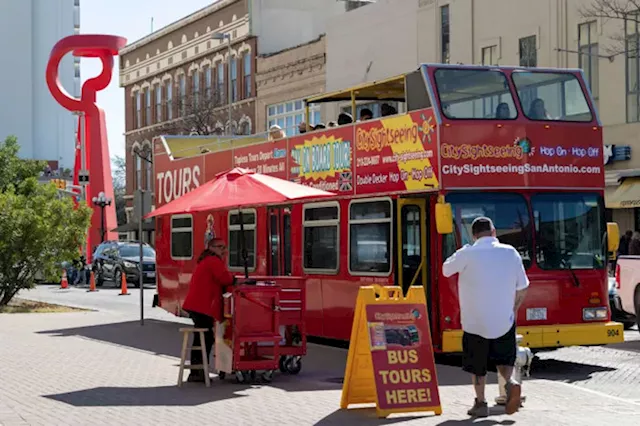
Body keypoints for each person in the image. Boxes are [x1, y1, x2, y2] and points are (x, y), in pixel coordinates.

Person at [442, 217, 529, 417]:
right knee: (504, 361)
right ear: (494, 232)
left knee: (477, 366)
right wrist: (513, 309)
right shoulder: (511, 252)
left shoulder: (467, 253)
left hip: (474, 323)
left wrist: (462, 252)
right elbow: (523, 287)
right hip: (503, 321)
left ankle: (481, 404)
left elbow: (446, 270)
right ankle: (511, 384)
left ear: (473, 235)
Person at [181, 238, 236, 383]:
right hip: (202, 305)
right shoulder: (213, 260)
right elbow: (224, 278)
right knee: (205, 339)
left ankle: (196, 371)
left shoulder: (207, 259)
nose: (224, 250)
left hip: (196, 305)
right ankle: (197, 372)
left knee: (202, 338)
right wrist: (234, 279)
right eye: (220, 247)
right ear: (212, 248)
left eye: (225, 247)